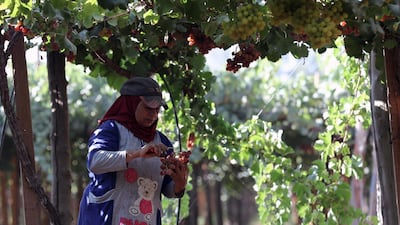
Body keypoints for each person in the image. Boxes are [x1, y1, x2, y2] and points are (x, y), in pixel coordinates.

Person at [77, 76, 189, 225]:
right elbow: (95, 161)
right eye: (148, 108)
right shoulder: (110, 129)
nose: (154, 115)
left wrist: (179, 184)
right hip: (106, 219)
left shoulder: (162, 142)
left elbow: (168, 189)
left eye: (157, 109)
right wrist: (137, 153)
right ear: (131, 103)